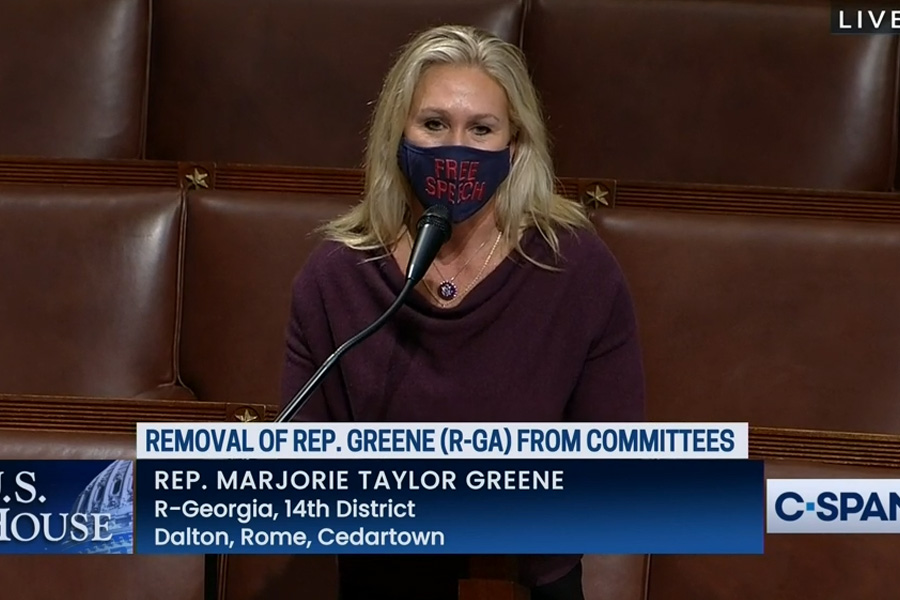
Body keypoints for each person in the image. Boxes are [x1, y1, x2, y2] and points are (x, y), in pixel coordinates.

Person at [280, 24, 645, 600]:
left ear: (515, 144)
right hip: (381, 579)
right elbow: (305, 466)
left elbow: (614, 458)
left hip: (532, 582)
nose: (457, 148)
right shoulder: (336, 277)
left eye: (481, 129)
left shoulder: (578, 271)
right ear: (396, 136)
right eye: (433, 124)